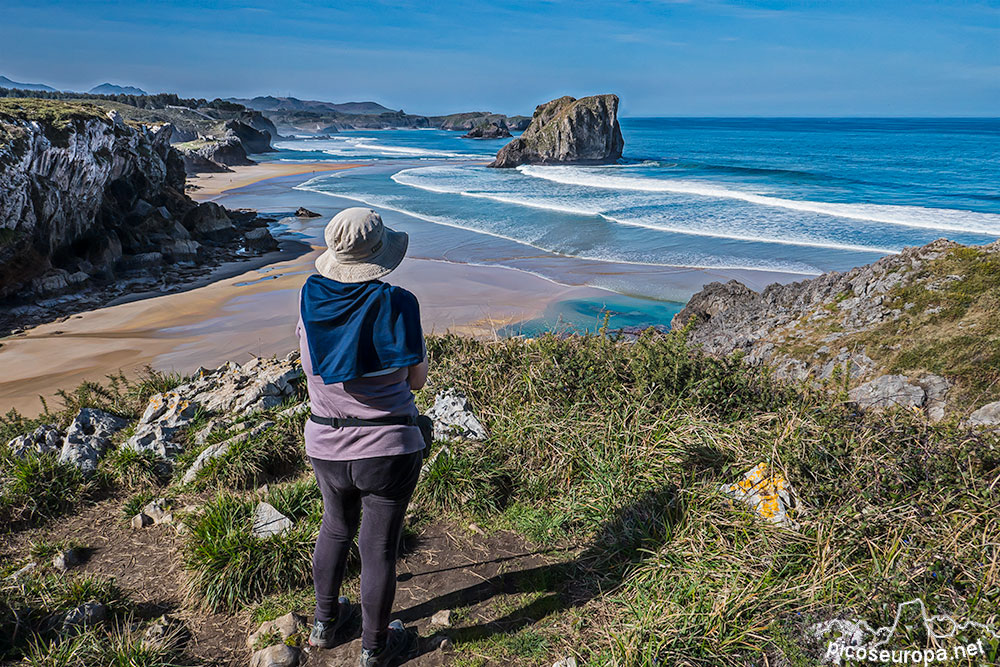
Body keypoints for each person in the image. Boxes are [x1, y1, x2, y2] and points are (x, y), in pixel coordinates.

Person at [296, 207, 428, 666]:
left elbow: (309, 363)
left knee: (335, 526)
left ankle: (324, 625)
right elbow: (416, 381)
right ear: (380, 255)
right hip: (388, 448)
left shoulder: (310, 300)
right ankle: (376, 649)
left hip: (326, 445)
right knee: (378, 549)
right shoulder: (399, 304)